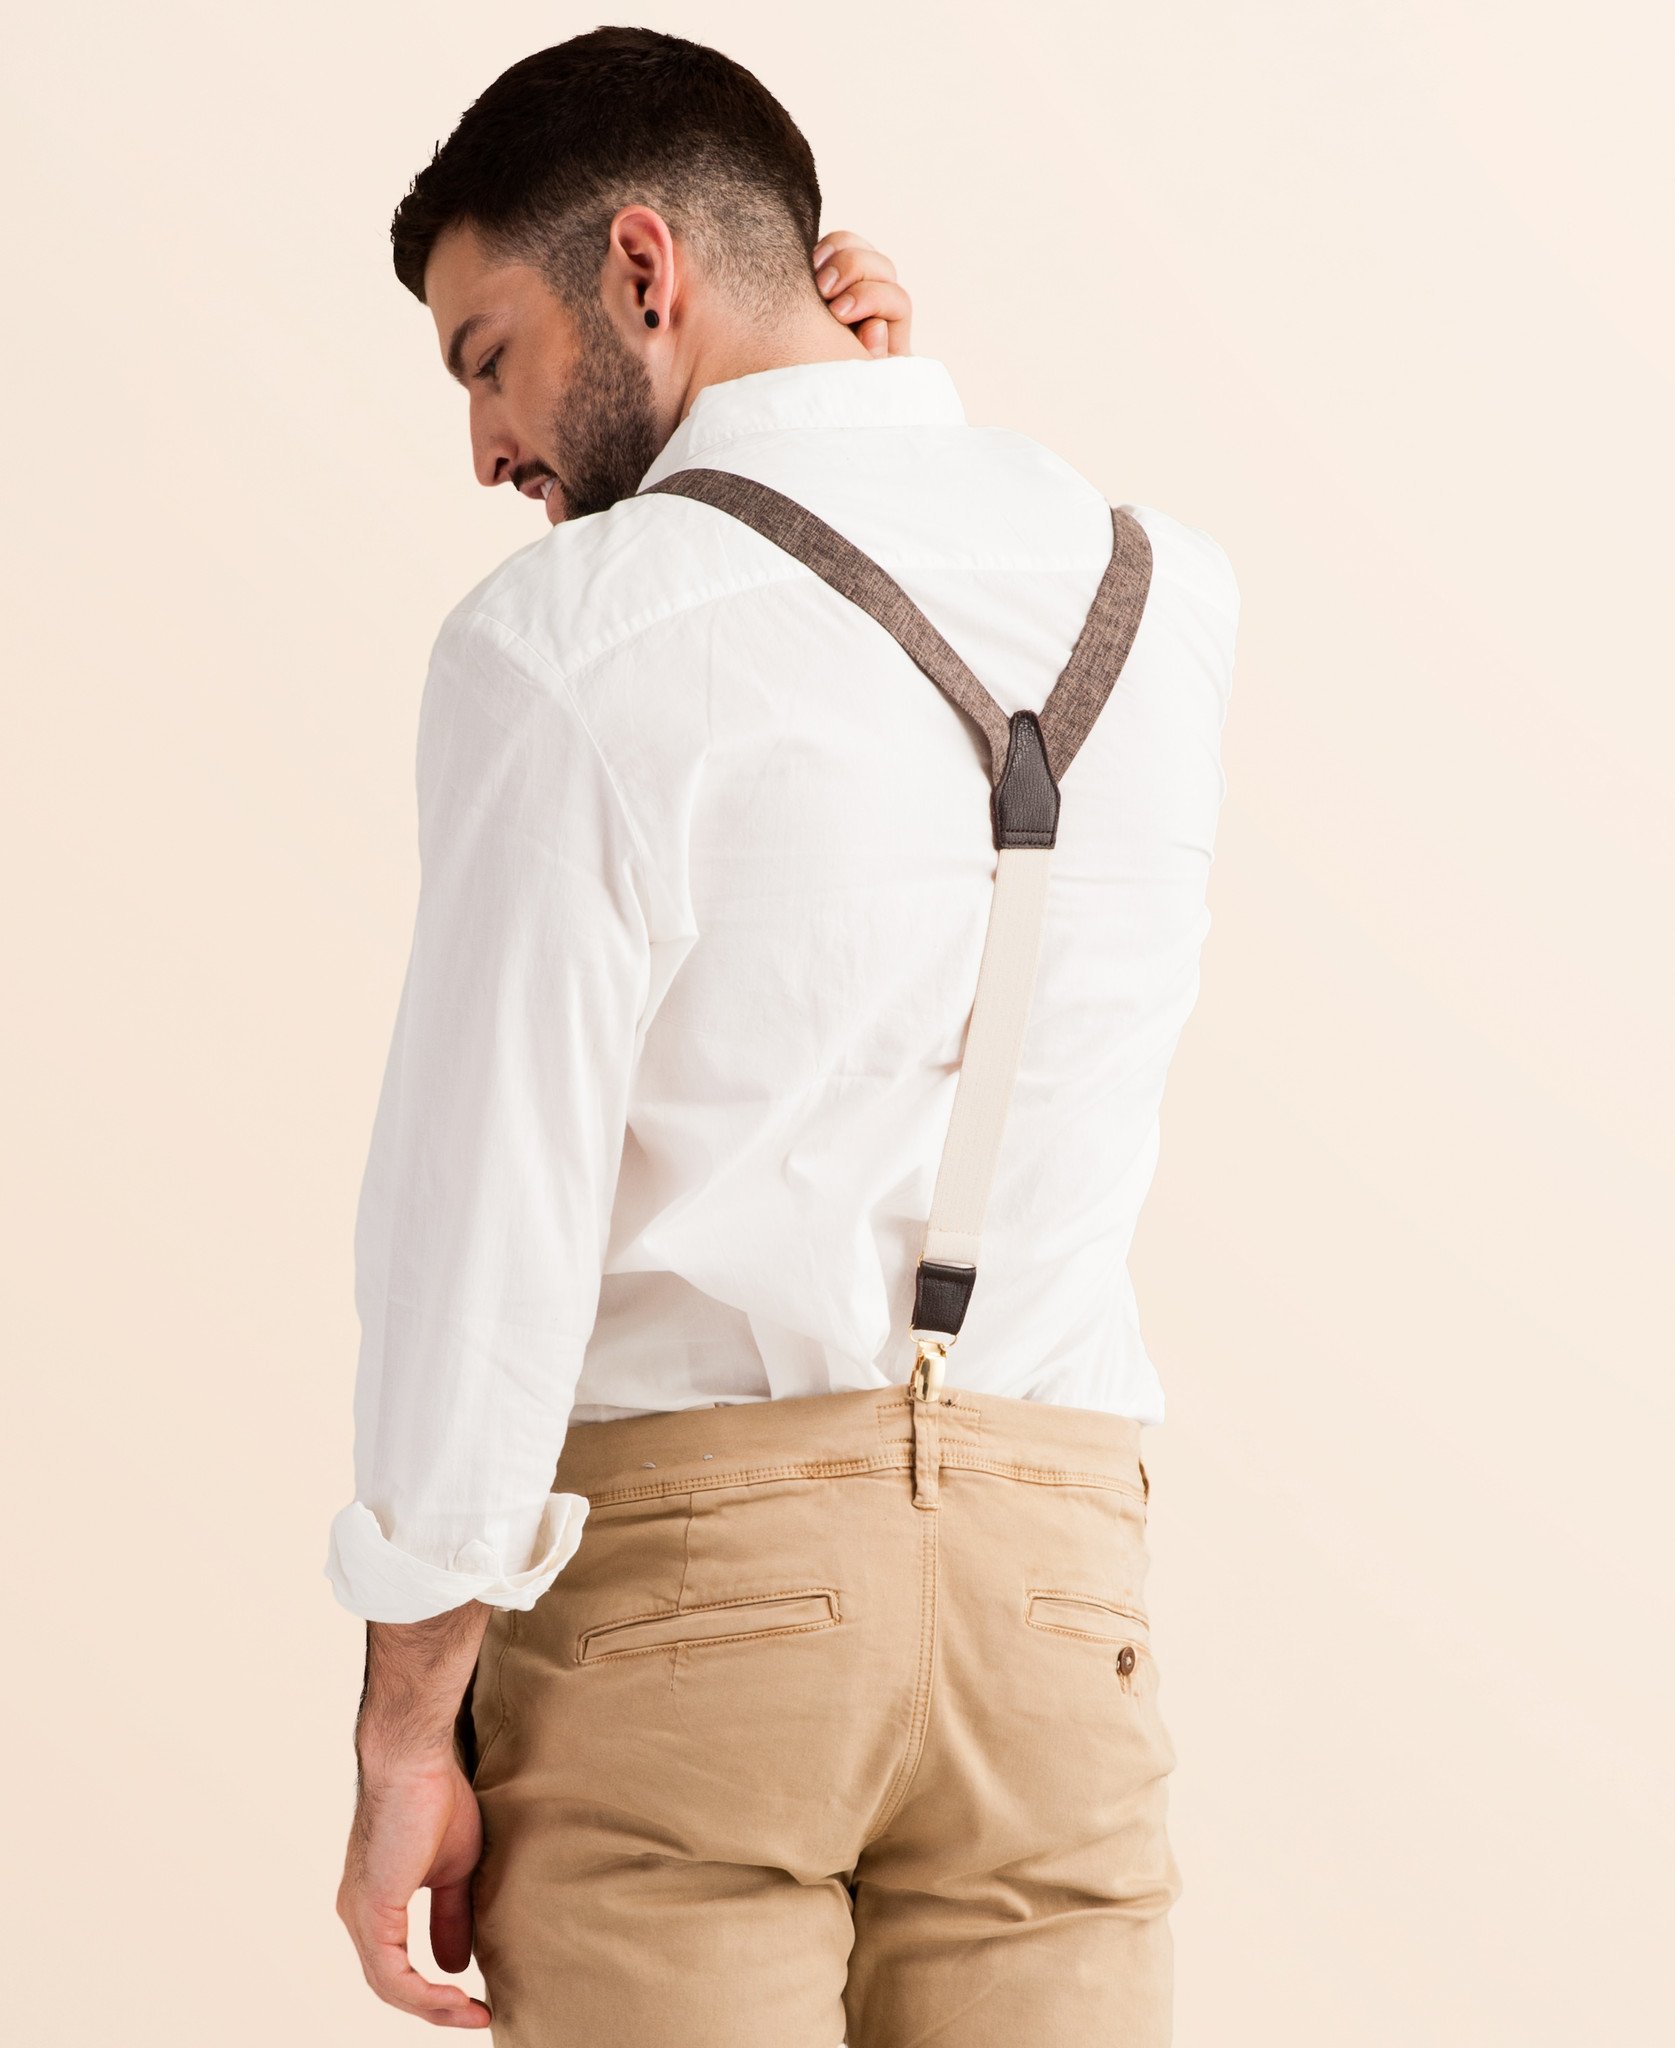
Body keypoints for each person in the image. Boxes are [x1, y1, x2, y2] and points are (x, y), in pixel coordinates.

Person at [328, 26, 1239, 2047]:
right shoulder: (1166, 597)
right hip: (1058, 1599)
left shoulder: (566, 639)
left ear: (642, 269)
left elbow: (484, 1229)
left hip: (689, 1616)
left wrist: (404, 1727)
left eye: (487, 357)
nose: (484, 447)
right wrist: (870, 399)